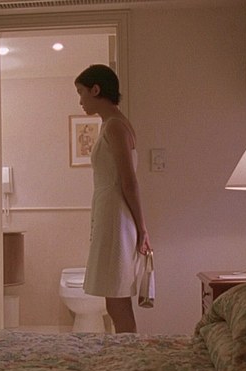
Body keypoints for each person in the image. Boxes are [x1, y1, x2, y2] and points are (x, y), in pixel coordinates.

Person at [74, 64, 152, 333]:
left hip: (116, 218)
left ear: (96, 90)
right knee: (114, 298)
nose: (80, 100)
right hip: (111, 214)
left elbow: (129, 182)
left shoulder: (115, 126)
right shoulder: (111, 124)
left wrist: (142, 229)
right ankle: (124, 350)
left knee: (118, 300)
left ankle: (128, 353)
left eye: (81, 92)